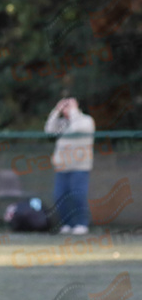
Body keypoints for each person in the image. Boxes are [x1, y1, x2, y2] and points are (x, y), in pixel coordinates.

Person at [45, 97, 94, 235]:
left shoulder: (86, 121)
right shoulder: (63, 124)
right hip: (62, 167)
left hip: (80, 167)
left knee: (78, 196)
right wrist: (56, 111)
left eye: (69, 106)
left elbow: (76, 128)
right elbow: (49, 130)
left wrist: (73, 110)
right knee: (59, 196)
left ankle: (81, 224)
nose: (67, 109)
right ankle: (67, 224)